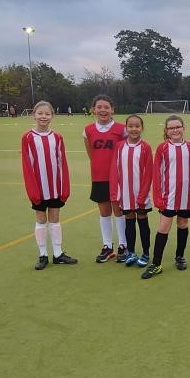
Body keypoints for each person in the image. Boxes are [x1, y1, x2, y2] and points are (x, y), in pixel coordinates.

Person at [20, 101, 77, 270]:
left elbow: (62, 163)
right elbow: (27, 165)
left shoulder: (57, 137)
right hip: (38, 188)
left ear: (52, 116)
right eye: (40, 113)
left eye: (47, 114)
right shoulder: (28, 138)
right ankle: (43, 255)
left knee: (55, 218)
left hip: (55, 187)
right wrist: (32, 190)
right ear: (34, 115)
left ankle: (58, 254)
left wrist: (64, 187)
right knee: (40, 219)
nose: (43, 116)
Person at [145, 115, 190, 279]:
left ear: (183, 128)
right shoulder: (162, 148)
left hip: (186, 196)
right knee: (163, 227)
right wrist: (158, 197)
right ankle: (156, 263)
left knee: (183, 224)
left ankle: (180, 256)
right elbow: (157, 174)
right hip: (168, 197)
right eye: (171, 128)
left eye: (178, 127)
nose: (175, 130)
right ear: (166, 131)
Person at [83, 95, 129, 263]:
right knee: (104, 212)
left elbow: (126, 151)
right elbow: (91, 154)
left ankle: (123, 245)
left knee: (118, 210)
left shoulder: (121, 129)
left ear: (112, 109)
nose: (103, 110)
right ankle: (107, 246)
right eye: (99, 107)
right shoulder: (88, 130)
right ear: (94, 109)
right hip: (99, 176)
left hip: (117, 176)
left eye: (106, 107)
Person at [111, 114, 154, 268]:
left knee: (142, 221)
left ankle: (146, 252)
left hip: (141, 194)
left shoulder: (145, 147)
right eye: (131, 126)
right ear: (126, 128)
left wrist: (143, 195)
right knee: (129, 222)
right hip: (126, 194)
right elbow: (114, 170)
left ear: (142, 128)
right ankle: (131, 252)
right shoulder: (120, 146)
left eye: (137, 126)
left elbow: (148, 172)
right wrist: (115, 192)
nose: (134, 129)